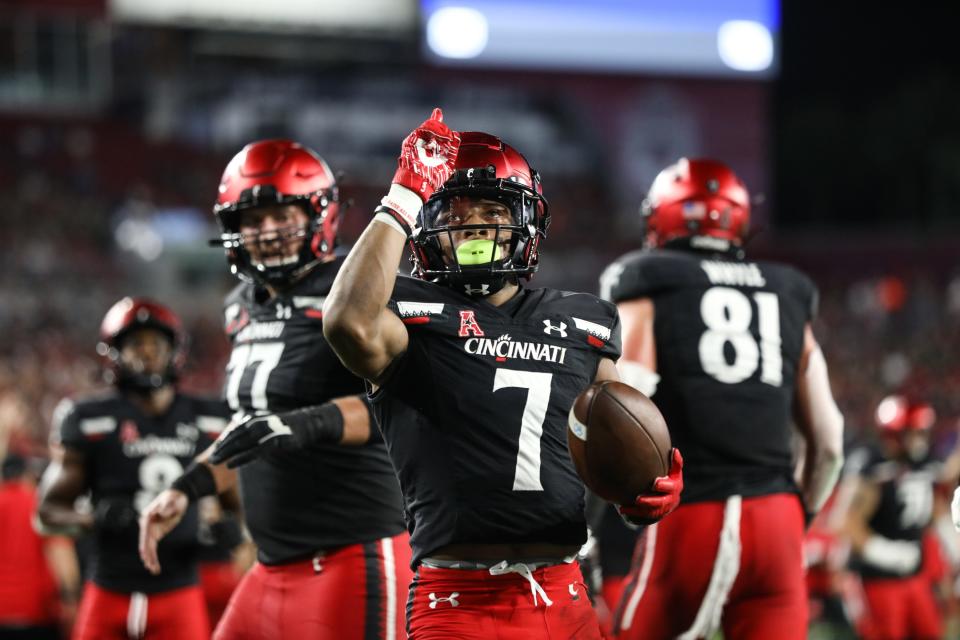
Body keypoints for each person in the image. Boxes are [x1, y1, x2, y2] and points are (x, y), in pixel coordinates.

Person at [320, 108, 683, 639]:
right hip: (458, 602)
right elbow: (346, 322)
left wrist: (640, 495)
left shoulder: (587, 318)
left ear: (526, 223)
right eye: (455, 210)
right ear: (426, 227)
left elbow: (604, 452)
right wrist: (403, 195)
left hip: (564, 594)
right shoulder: (406, 310)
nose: (473, 223)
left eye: (491, 209)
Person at [138, 139, 411, 640]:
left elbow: (402, 406)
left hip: (352, 554)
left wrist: (301, 423)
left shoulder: (352, 289)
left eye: (280, 215)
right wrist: (189, 486)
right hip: (270, 566)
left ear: (318, 213)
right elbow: (254, 426)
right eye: (252, 220)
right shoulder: (242, 304)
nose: (266, 232)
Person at [601, 158, 845, 640]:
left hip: (692, 512)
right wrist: (800, 513)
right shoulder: (788, 289)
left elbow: (622, 407)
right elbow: (830, 440)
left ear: (662, 217)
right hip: (777, 518)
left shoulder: (647, 279)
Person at [37, 297, 231, 639]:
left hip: (179, 590)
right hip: (108, 588)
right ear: (114, 354)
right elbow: (47, 513)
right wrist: (94, 518)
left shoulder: (210, 417)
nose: (146, 354)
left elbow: (239, 505)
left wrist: (227, 528)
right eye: (135, 345)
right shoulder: (87, 418)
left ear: (175, 350)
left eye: (156, 344)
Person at [843, 394, 957, 640]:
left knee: (929, 632)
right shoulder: (873, 467)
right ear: (895, 434)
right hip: (879, 580)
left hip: (915, 575)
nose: (920, 440)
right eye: (914, 433)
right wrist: (889, 554)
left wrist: (952, 544)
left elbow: (934, 506)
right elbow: (848, 524)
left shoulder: (924, 462)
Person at [0, 454, 80, 639]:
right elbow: (61, 556)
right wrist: (71, 599)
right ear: (28, 475)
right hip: (37, 612)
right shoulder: (40, 506)